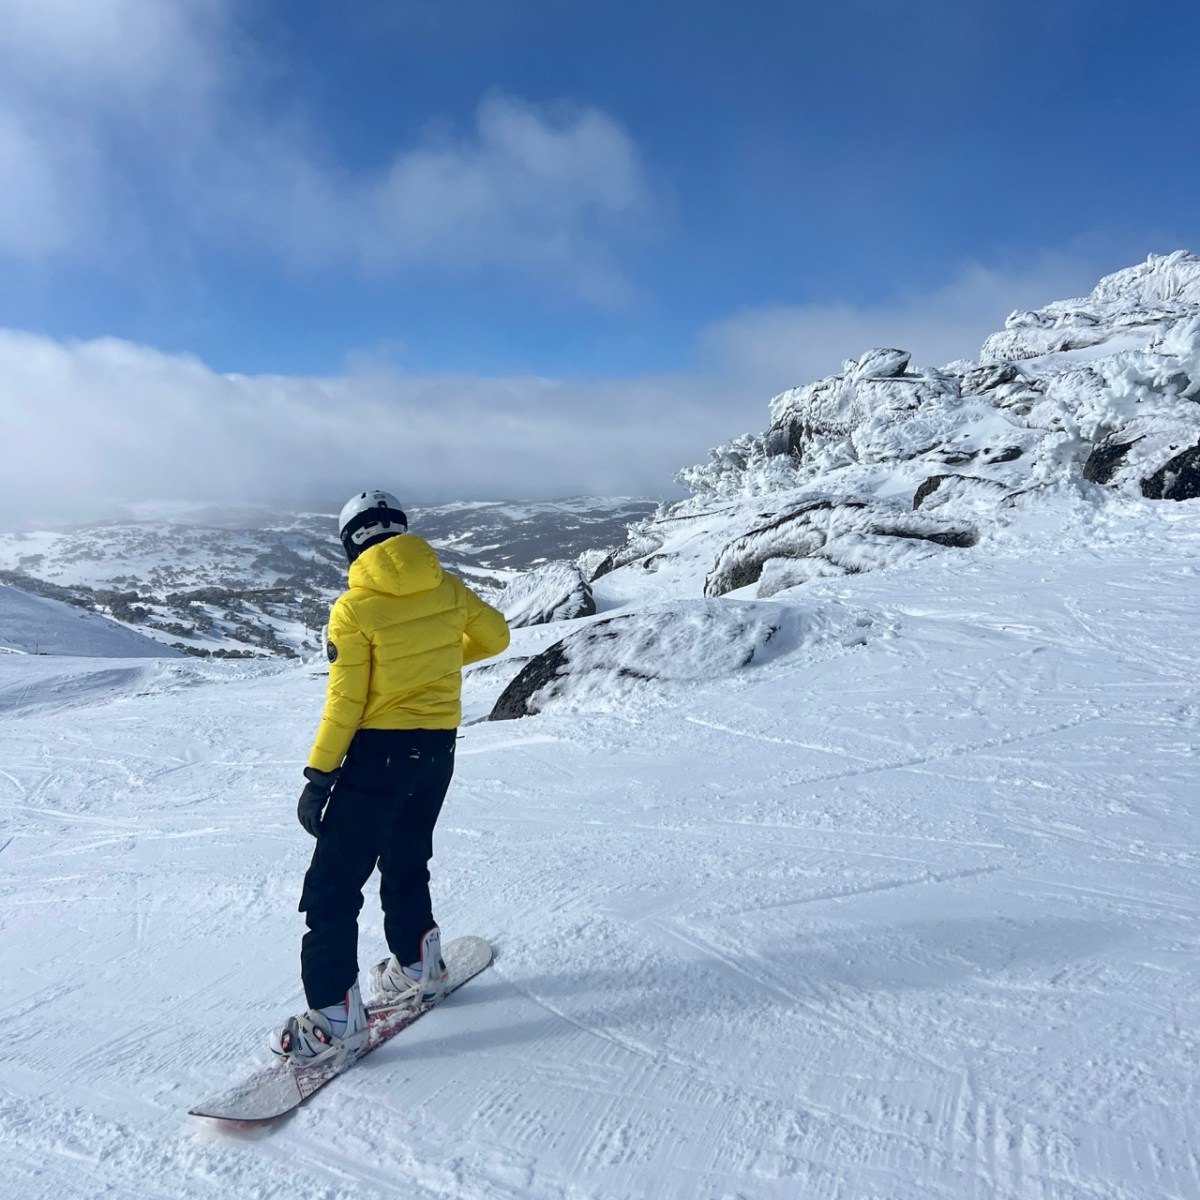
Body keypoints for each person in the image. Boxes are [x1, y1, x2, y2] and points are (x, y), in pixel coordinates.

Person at [271, 489, 510, 1063]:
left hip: (378, 754)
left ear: (351, 542)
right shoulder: (445, 584)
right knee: (406, 857)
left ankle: (333, 1019)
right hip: (437, 750)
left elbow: (345, 701)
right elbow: (497, 636)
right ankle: (418, 965)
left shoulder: (355, 606)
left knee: (333, 885)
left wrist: (319, 776)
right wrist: (431, 663)